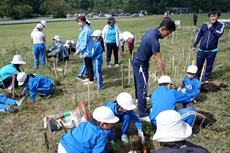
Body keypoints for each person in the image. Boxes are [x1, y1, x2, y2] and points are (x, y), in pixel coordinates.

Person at [132, 20, 176, 121]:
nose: (166, 36)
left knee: (139, 85)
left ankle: (140, 101)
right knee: (143, 87)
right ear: (163, 29)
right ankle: (143, 114)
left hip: (137, 60)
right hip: (140, 64)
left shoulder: (151, 32)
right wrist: (165, 77)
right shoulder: (155, 41)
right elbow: (158, 60)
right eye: (167, 33)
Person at [192, 8, 224, 83]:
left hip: (212, 50)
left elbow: (219, 34)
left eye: (215, 16)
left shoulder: (220, 25)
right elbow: (199, 35)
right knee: (198, 65)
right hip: (202, 49)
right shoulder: (204, 25)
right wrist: (194, 45)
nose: (213, 18)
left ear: (218, 17)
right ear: (209, 17)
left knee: (209, 66)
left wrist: (211, 28)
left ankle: (205, 79)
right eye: (211, 16)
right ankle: (196, 79)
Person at [74, 16, 94, 84]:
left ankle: (91, 79)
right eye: (78, 22)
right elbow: (80, 40)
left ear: (84, 22)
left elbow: (84, 43)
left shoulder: (87, 30)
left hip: (87, 51)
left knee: (88, 65)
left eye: (80, 22)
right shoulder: (82, 29)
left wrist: (79, 50)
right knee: (86, 64)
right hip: (84, 51)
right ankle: (89, 77)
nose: (79, 23)